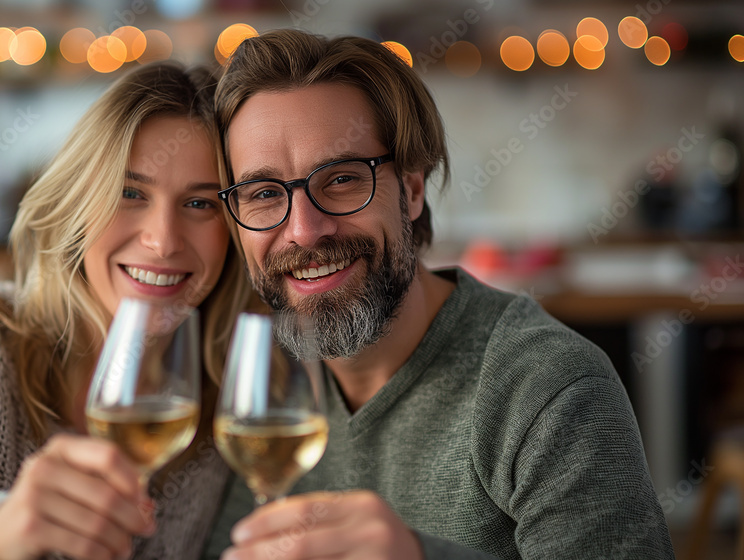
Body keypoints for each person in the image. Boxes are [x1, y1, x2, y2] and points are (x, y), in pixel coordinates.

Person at [202, 29, 676, 559]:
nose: (306, 231)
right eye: (264, 194)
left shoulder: (549, 389)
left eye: (341, 179)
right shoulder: (248, 383)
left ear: (410, 189)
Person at [0, 62, 256, 560]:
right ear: (78, 200)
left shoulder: (240, 390)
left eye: (200, 205)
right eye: (130, 193)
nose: (162, 240)